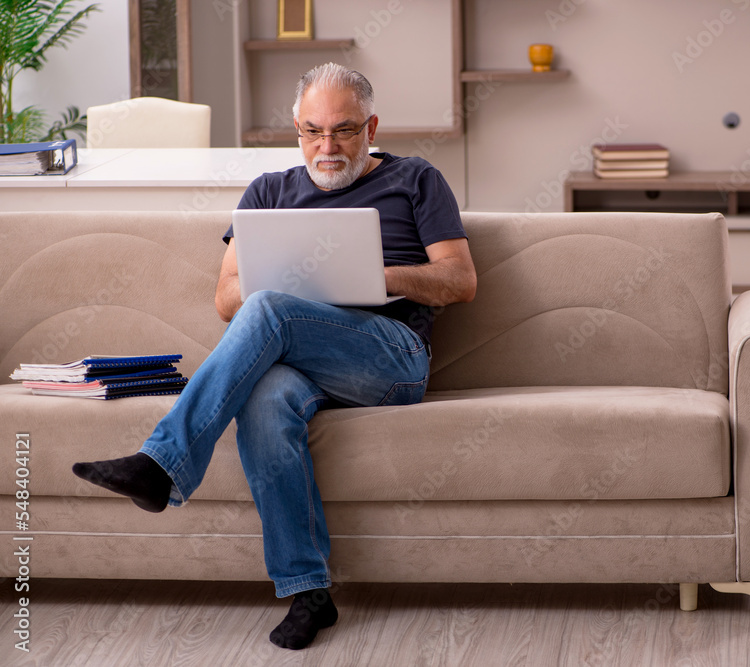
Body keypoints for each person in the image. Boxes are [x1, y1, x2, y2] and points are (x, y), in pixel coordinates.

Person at [71, 63, 477, 650]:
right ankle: (308, 591)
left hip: (391, 357)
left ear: (372, 127)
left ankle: (162, 464)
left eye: (343, 130)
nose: (327, 146)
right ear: (295, 129)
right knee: (262, 396)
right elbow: (225, 298)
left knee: (270, 309)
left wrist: (368, 276)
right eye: (312, 131)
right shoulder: (267, 192)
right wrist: (295, 285)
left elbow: (460, 281)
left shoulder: (416, 179)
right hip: (300, 359)